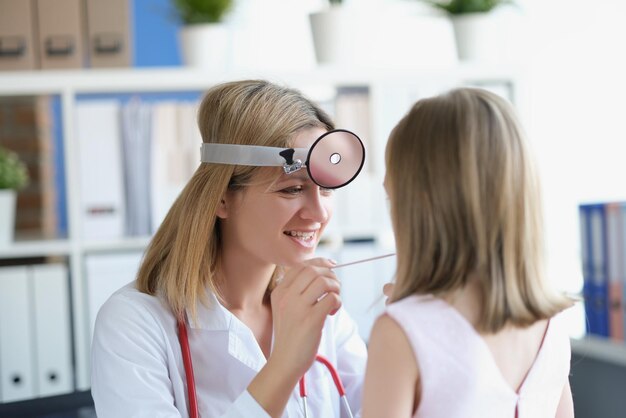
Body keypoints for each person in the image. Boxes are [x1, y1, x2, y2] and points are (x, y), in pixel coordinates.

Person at [91, 80, 367, 417]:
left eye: (326, 190)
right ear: (222, 198)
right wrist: (284, 365)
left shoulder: (319, 308)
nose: (320, 213)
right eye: (292, 189)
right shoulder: (134, 322)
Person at [362, 87, 575, 418]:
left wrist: (411, 328)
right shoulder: (552, 323)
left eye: (393, 198)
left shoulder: (398, 334)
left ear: (419, 206)